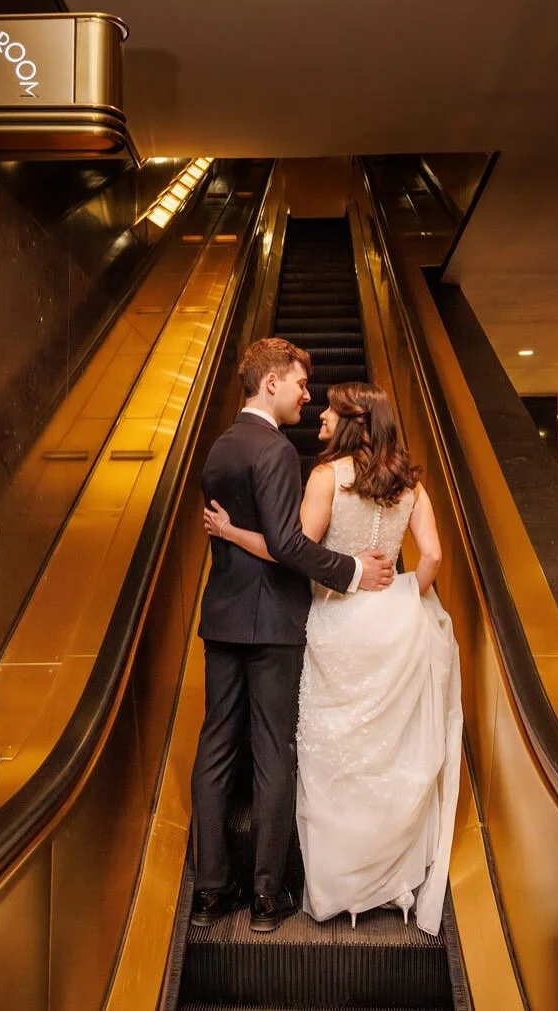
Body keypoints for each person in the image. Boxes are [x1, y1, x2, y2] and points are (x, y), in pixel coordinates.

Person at [204, 381, 462, 936]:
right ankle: (389, 879)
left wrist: (227, 530)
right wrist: (404, 595)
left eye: (331, 409)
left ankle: (334, 883)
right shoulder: (412, 485)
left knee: (332, 758)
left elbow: (288, 549)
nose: (319, 412)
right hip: (393, 622)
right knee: (387, 755)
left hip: (335, 619)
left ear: (354, 422)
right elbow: (434, 554)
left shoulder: (326, 478)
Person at [190, 340, 394, 935]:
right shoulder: (276, 450)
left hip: (222, 618)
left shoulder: (221, 447)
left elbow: (249, 534)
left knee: (216, 748)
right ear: (271, 382)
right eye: (301, 384)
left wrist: (234, 537)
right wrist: (354, 571)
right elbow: (286, 543)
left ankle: (208, 891)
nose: (307, 396)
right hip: (274, 622)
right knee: (275, 752)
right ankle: (265, 895)